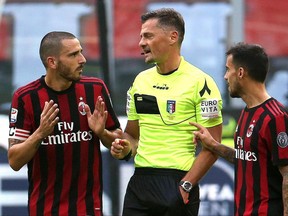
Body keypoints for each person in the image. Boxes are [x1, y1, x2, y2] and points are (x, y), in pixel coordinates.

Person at [110, 8, 223, 216]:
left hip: (178, 183)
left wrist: (186, 185)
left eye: (148, 36)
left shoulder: (202, 82)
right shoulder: (140, 81)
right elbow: (132, 136)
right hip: (139, 183)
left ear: (173, 37)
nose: (141, 43)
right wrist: (123, 147)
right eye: (141, 36)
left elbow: (213, 146)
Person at [7, 31, 122, 216]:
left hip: (88, 209)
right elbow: (14, 160)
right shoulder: (25, 97)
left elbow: (119, 143)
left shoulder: (95, 89)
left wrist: (103, 133)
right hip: (44, 210)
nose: (83, 59)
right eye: (73, 54)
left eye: (81, 52)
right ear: (52, 62)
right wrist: (40, 133)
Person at [191, 42, 288, 216]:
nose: (226, 76)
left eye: (228, 69)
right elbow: (247, 159)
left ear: (241, 73)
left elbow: (287, 174)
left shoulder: (275, 117)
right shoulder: (247, 111)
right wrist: (213, 145)